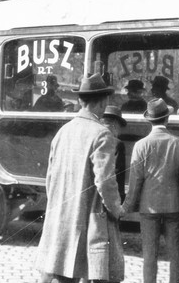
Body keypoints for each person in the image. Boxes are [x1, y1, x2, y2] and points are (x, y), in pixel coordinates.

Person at [35, 74, 125, 283]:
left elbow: (50, 177)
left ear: (80, 101)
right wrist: (116, 208)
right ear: (103, 102)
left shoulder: (63, 131)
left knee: (63, 273)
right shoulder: (102, 134)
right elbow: (105, 181)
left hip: (61, 216)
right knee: (96, 274)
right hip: (88, 218)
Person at [122, 98, 179, 283]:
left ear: (149, 120)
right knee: (176, 254)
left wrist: (127, 206)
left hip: (148, 206)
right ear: (167, 119)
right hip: (174, 205)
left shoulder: (140, 145)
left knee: (149, 255)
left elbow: (135, 181)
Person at [102, 105, 127, 202]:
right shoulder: (117, 143)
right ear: (116, 124)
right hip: (110, 198)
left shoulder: (91, 140)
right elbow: (117, 174)